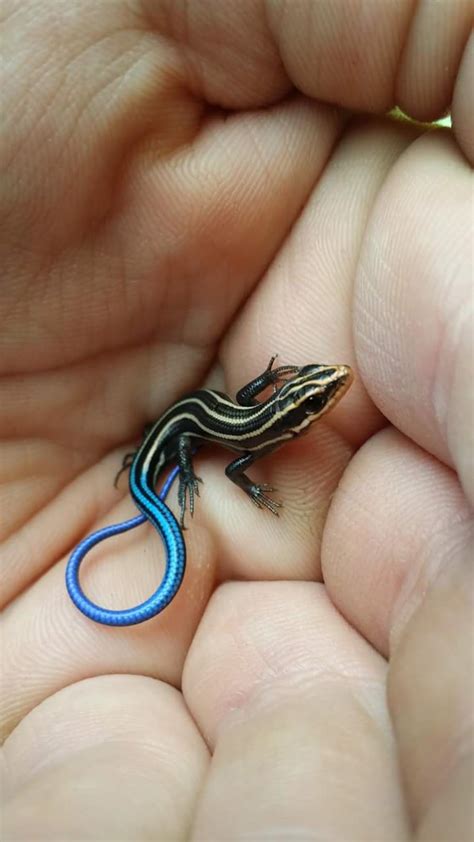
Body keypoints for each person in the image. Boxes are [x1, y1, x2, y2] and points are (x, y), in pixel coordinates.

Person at [2, 2, 472, 839]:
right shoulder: (261, 432)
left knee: (187, 448)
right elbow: (241, 457)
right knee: (181, 458)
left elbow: (251, 424)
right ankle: (126, 535)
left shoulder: (266, 421)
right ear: (305, 410)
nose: (327, 392)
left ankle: (122, 543)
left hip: (191, 421)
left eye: (317, 391)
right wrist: (219, 484)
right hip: (175, 437)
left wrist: (268, 398)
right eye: (321, 393)